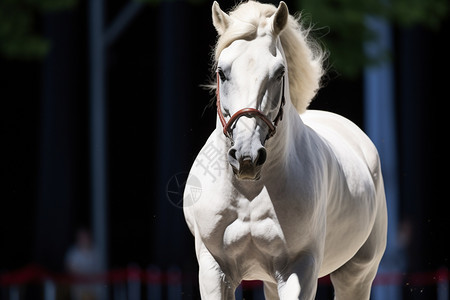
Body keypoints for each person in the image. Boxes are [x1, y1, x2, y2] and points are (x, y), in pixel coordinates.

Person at [65, 228, 101, 300]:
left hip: (94, 288)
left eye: (85, 237)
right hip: (79, 289)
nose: (84, 239)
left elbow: (98, 270)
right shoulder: (73, 252)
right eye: (81, 237)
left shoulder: (95, 252)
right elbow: (70, 268)